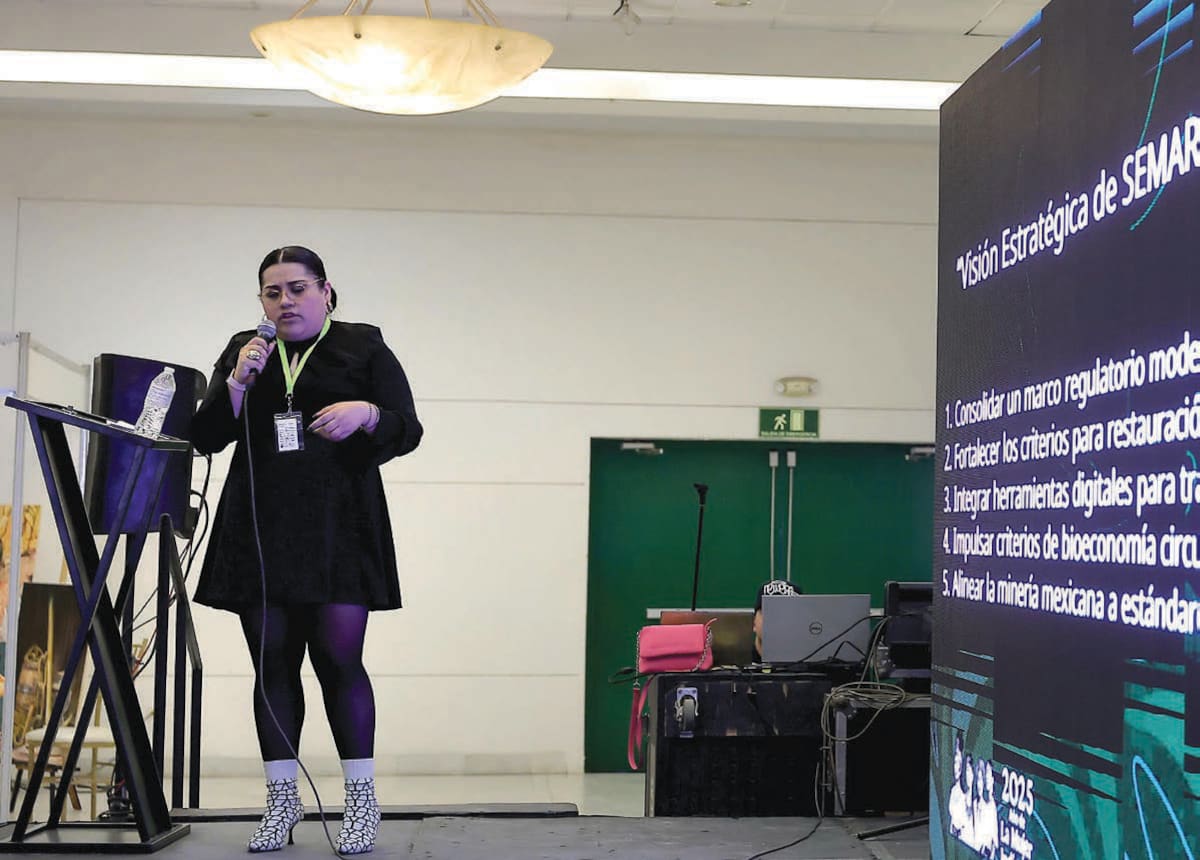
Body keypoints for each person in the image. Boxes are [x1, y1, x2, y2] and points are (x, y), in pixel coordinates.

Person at [189, 246, 423, 854]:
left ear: (325, 291)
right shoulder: (246, 351)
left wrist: (366, 413)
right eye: (272, 292)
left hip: (339, 527)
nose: (285, 302)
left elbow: (409, 426)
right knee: (272, 665)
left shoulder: (362, 345)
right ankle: (281, 804)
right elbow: (206, 436)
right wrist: (239, 382)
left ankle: (362, 803)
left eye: (296, 289)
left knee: (339, 661)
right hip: (260, 526)